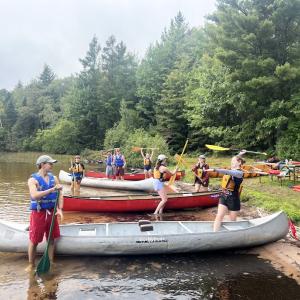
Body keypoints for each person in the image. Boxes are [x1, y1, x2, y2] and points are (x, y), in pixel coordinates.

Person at [27, 155, 63, 271]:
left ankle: (51, 262)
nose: (52, 165)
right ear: (42, 164)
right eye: (50, 163)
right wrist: (52, 189)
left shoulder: (55, 178)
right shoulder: (33, 180)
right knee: (35, 241)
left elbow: (60, 194)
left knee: (51, 239)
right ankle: (31, 265)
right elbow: (34, 195)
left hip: (52, 212)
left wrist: (60, 209)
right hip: (39, 213)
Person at [207, 155, 245, 231]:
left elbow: (228, 171)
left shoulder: (239, 173)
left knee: (232, 221)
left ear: (239, 162)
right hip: (224, 196)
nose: (231, 163)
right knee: (219, 216)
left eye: (233, 161)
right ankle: (215, 234)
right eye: (231, 161)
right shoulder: (231, 169)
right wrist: (240, 153)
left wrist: (215, 169)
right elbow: (230, 170)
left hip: (233, 199)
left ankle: (232, 238)